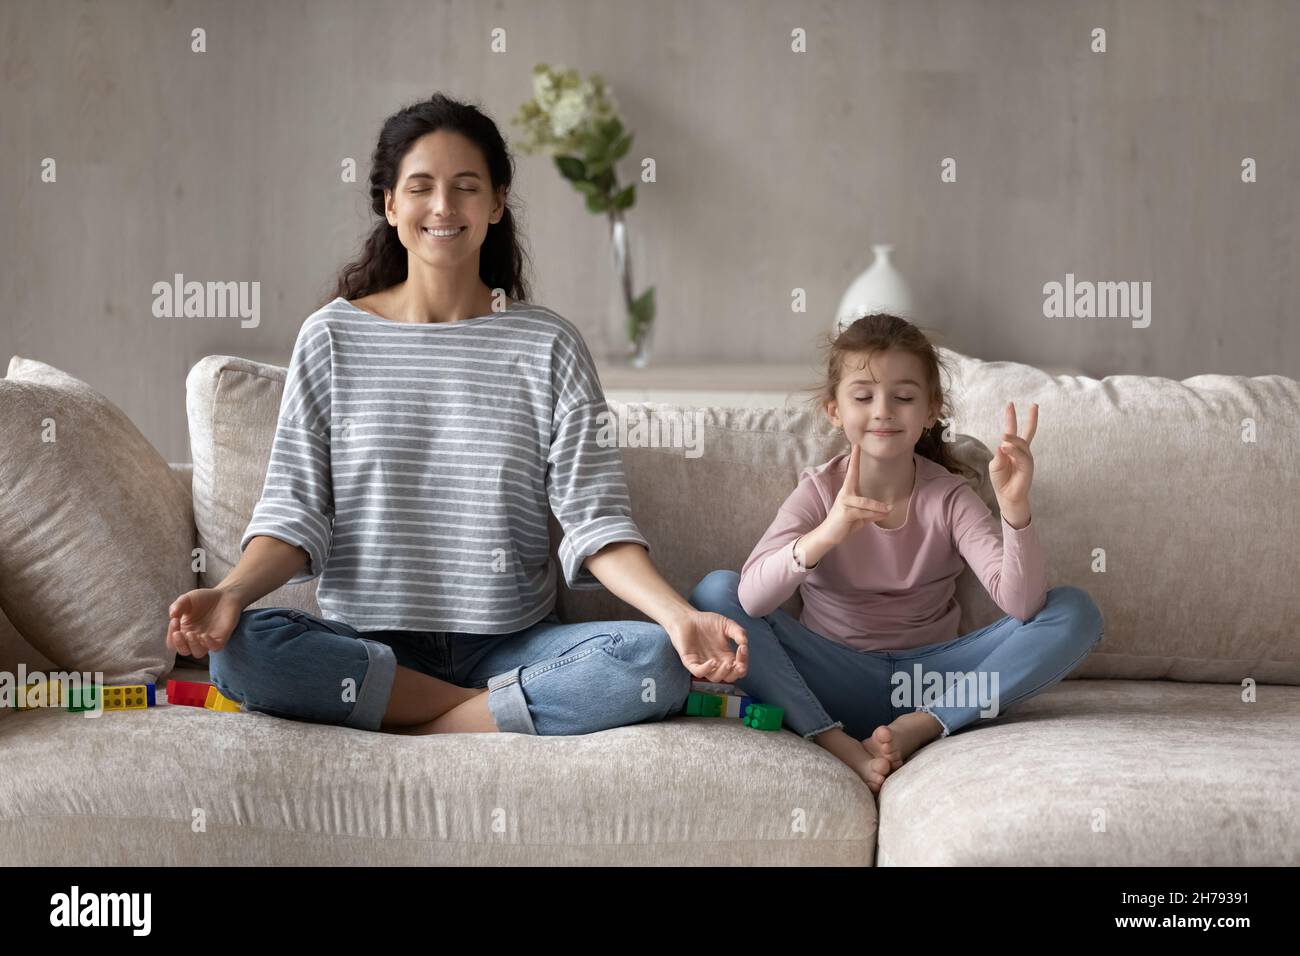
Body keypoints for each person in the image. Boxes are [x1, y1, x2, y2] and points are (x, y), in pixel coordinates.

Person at [166, 93, 747, 736]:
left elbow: (596, 521)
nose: (443, 207)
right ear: (390, 203)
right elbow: (294, 515)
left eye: (466, 187)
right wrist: (229, 596)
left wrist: (676, 616)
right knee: (242, 649)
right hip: (371, 647)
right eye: (421, 187)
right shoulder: (330, 338)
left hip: (509, 647)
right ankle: (493, 712)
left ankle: (408, 717)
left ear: (496, 202)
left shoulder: (547, 344)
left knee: (655, 660)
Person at [689, 313, 1104, 793]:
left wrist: (1014, 509)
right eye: (863, 397)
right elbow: (752, 600)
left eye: (903, 397)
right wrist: (830, 530)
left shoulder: (950, 497)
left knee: (1075, 610)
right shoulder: (819, 491)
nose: (883, 410)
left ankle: (925, 726)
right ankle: (834, 740)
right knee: (715, 591)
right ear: (834, 410)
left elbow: (1024, 606)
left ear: (930, 410)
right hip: (830, 676)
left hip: (938, 680)